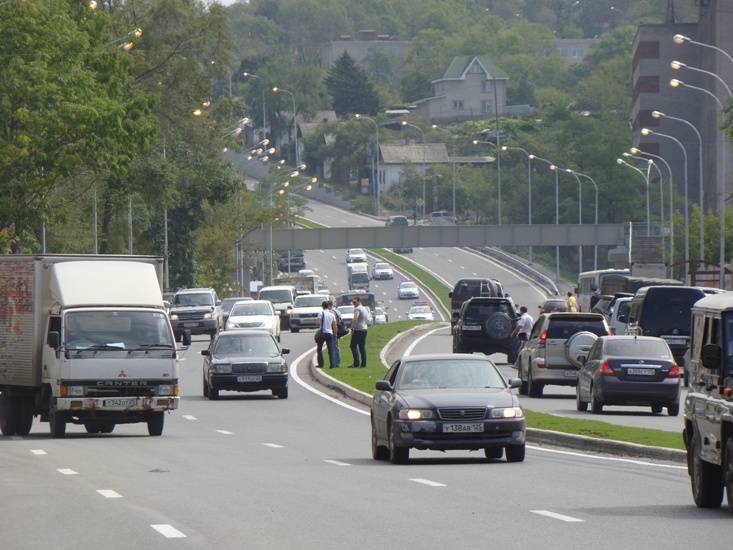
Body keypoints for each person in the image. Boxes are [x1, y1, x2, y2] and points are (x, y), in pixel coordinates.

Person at [316, 300, 339, 368]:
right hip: (329, 333)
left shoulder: (321, 313)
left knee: (319, 349)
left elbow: (318, 322)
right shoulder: (332, 314)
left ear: (322, 306)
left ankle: (321, 363)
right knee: (330, 349)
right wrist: (335, 335)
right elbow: (335, 326)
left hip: (322, 333)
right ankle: (332, 364)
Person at [348, 296, 369, 368]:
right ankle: (364, 364)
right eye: (353, 302)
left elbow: (355, 319)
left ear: (359, 301)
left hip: (358, 329)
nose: (353, 304)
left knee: (353, 346)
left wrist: (352, 327)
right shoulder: (364, 309)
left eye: (355, 302)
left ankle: (356, 363)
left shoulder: (357, 309)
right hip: (364, 329)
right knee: (362, 347)